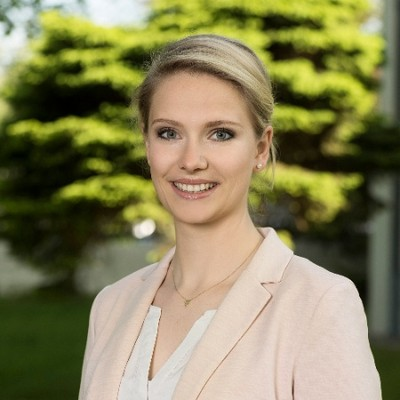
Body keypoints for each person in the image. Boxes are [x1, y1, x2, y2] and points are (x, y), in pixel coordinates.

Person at [78, 34, 381, 400]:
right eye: (168, 133)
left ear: (260, 148)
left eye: (220, 134)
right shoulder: (111, 305)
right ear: (147, 143)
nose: (191, 161)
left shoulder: (319, 304)